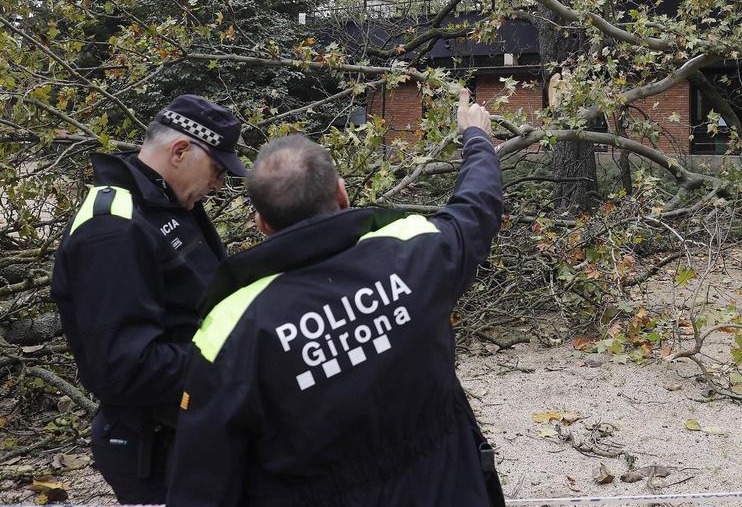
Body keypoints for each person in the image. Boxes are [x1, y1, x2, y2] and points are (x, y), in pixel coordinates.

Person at [167, 89, 505, 507]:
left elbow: (203, 480)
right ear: (342, 195)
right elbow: (477, 205)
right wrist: (475, 138)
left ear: (261, 223)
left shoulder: (233, 327)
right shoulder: (414, 251)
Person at [51, 94, 248, 504]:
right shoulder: (114, 228)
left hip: (191, 431)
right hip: (156, 447)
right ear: (180, 150)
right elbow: (125, 369)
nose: (218, 184)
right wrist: (241, 363)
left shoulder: (165, 203)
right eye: (217, 170)